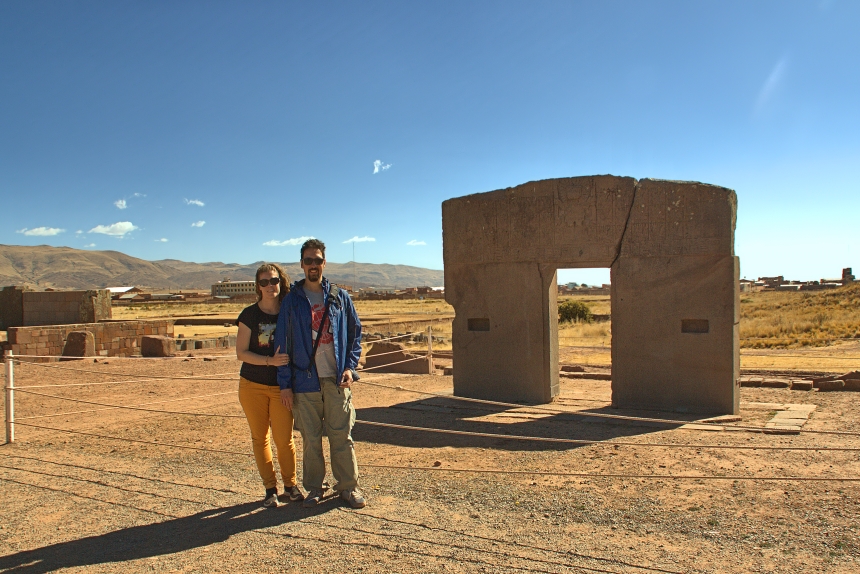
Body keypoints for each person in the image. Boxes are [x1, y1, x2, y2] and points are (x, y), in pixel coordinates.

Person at [274, 238, 365, 508]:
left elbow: (354, 334)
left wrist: (350, 367)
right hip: (304, 380)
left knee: (341, 436)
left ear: (324, 263)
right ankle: (314, 488)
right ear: (302, 264)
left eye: (317, 260)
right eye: (308, 260)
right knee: (311, 439)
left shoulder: (339, 297)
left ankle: (349, 487)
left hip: (336, 379)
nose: (313, 265)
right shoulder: (292, 302)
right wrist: (285, 384)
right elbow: (282, 343)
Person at [236, 263, 303, 508]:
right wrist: (269, 361)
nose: (269, 286)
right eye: (263, 282)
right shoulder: (249, 315)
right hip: (252, 385)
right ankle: (269, 489)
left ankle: (291, 485)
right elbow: (241, 353)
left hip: (281, 387)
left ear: (280, 282)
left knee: (284, 439)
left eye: (273, 281)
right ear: (258, 286)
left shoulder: (289, 312)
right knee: (260, 438)